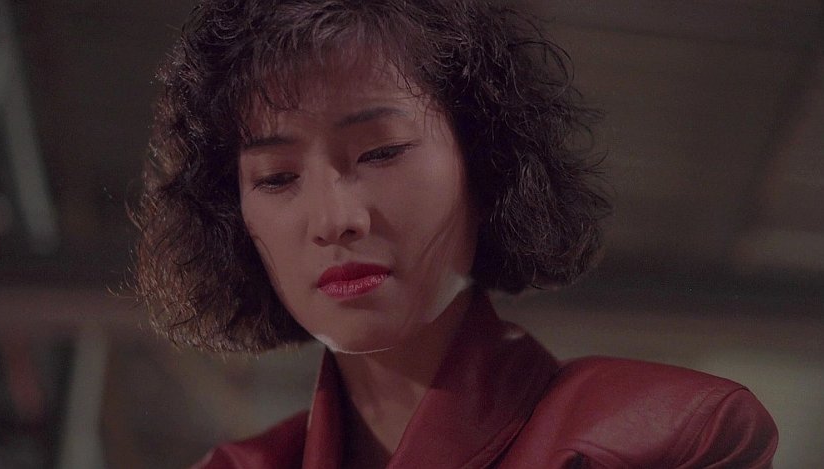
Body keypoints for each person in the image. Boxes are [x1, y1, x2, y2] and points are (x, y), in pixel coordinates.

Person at [133, 0, 778, 467]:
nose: (334, 220)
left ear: (485, 162)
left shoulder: (667, 439)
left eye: (382, 152)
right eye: (276, 178)